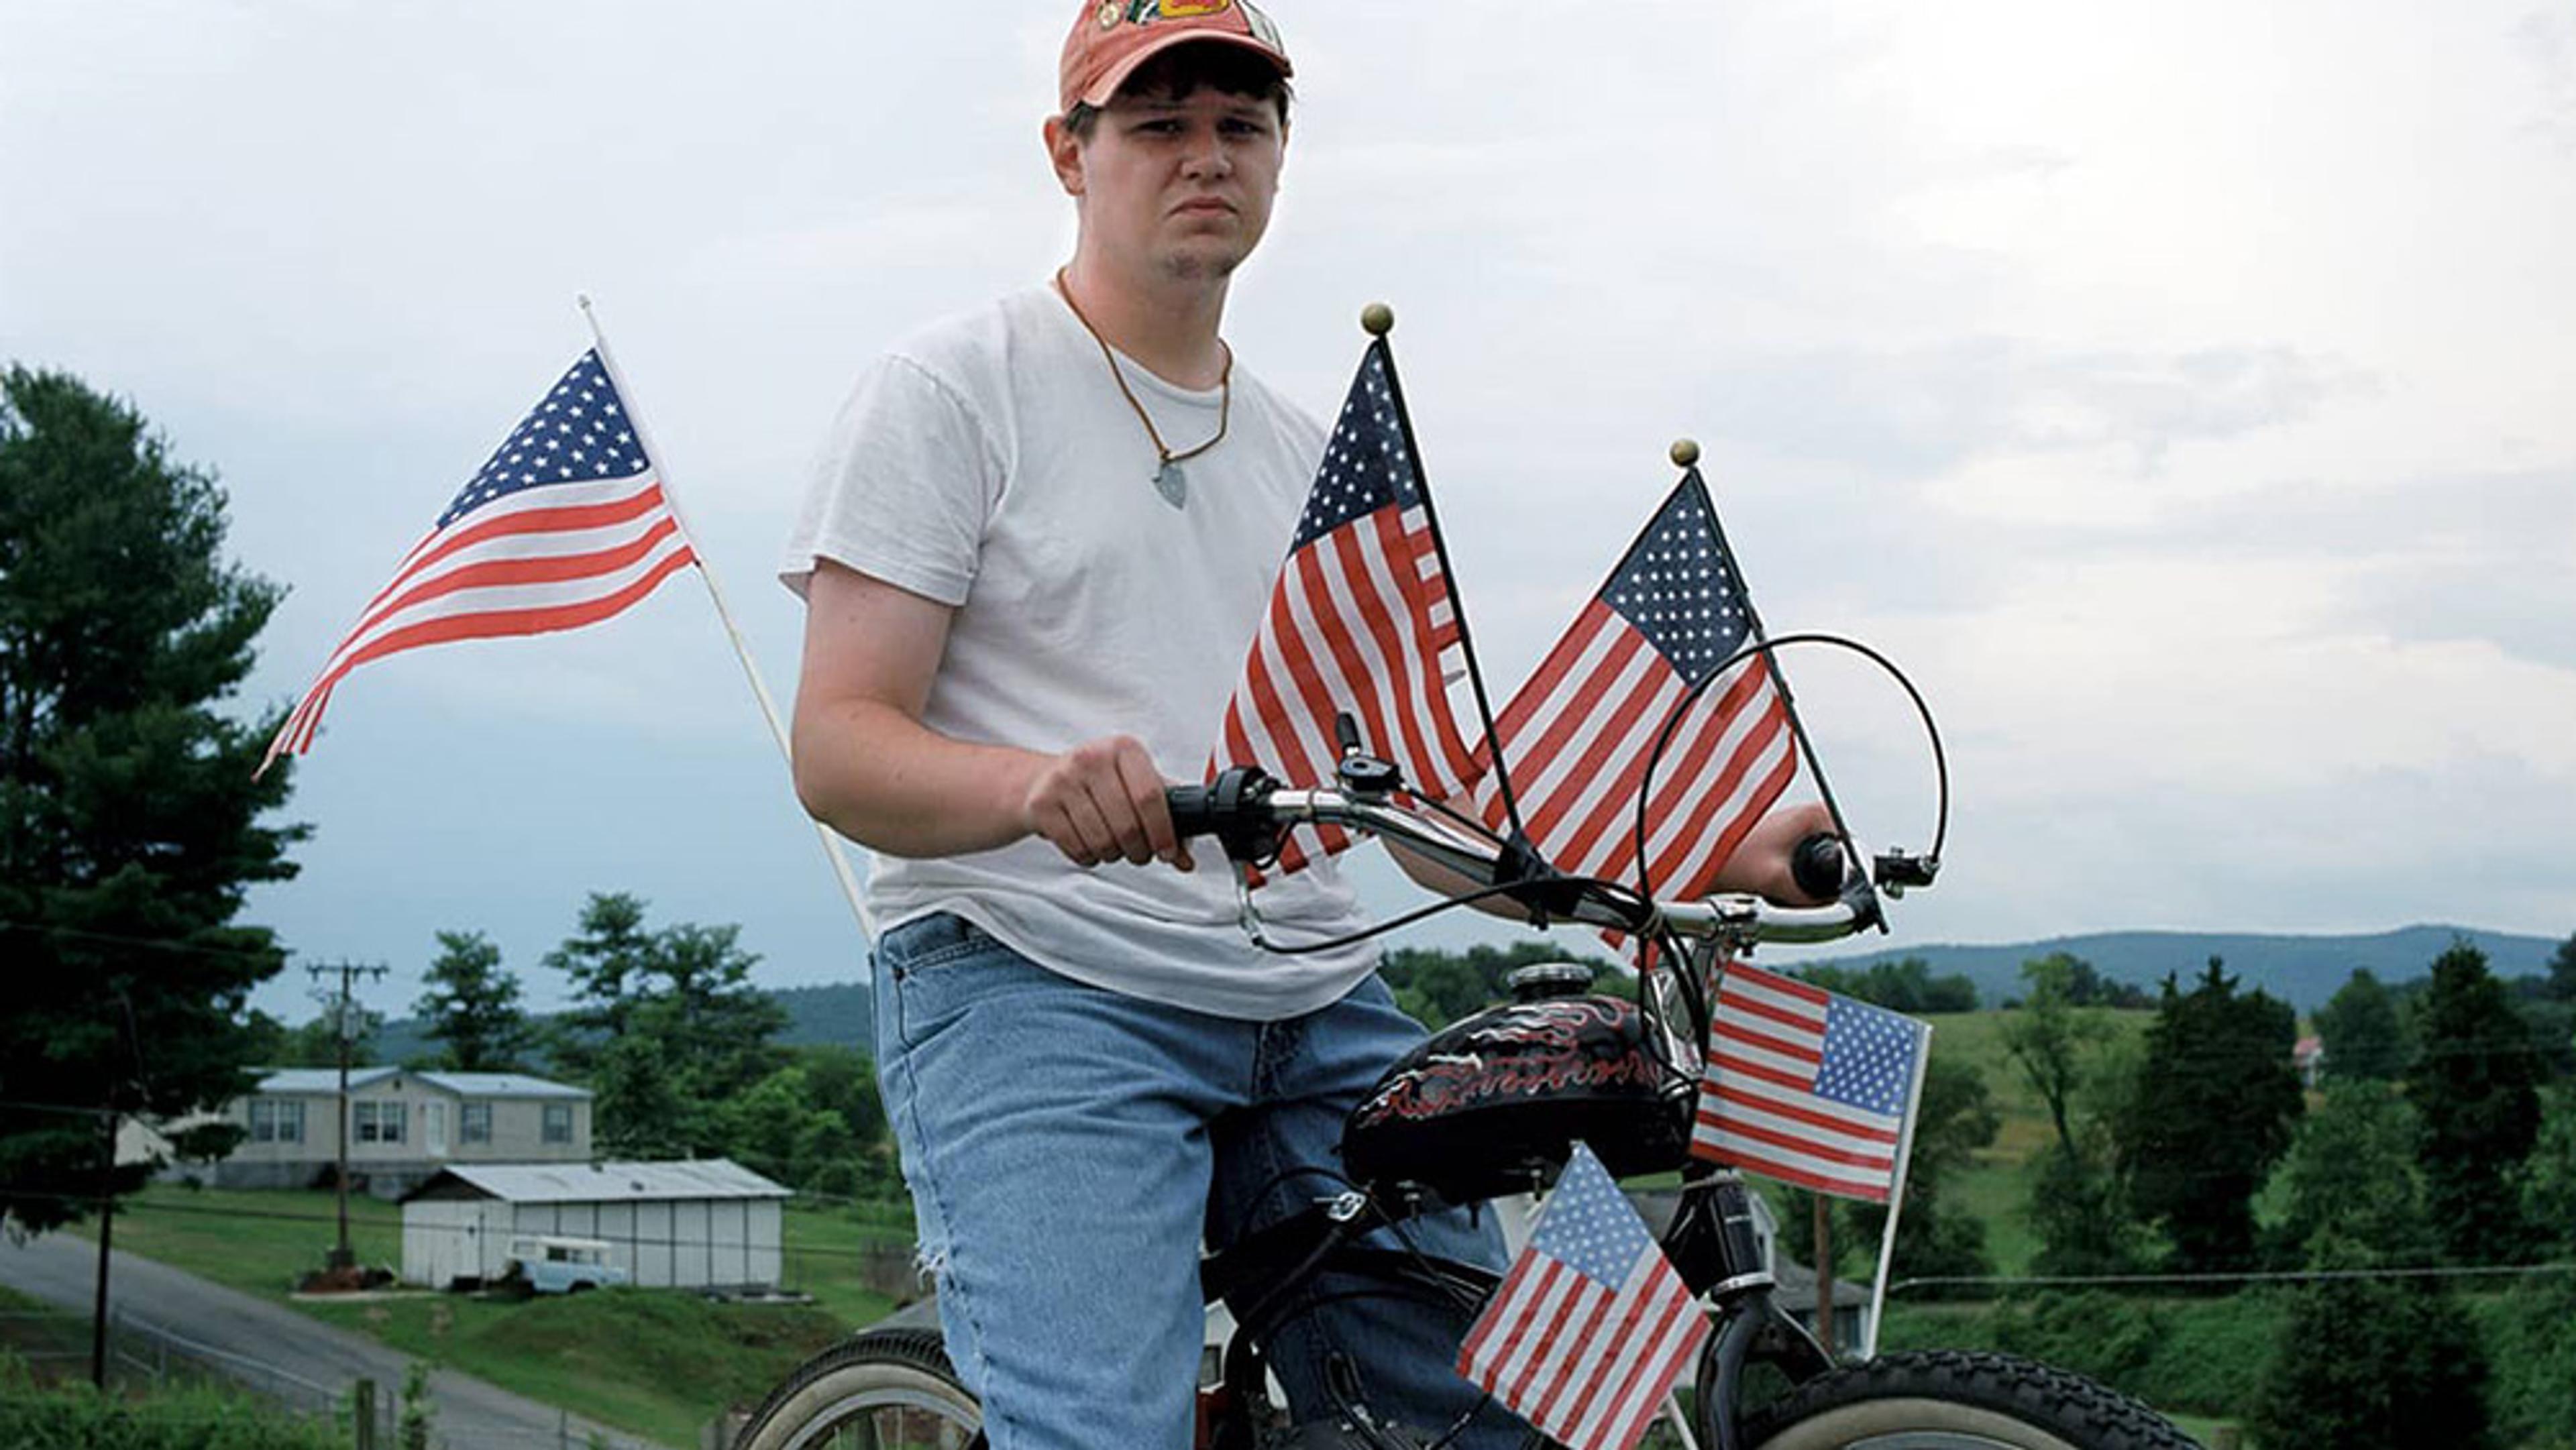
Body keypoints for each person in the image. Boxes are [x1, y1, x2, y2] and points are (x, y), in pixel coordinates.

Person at [783, 5, 1829, 1446]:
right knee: (1103, 1432)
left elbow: (1428, 794)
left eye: (1240, 123)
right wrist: (1036, 786)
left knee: (1522, 1416)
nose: (1204, 154)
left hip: (1313, 1003)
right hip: (1038, 985)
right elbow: (838, 744)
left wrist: (1707, 838)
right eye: (1157, 122)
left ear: (1281, 154)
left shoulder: (1303, 456)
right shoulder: (953, 389)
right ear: (1067, 155)